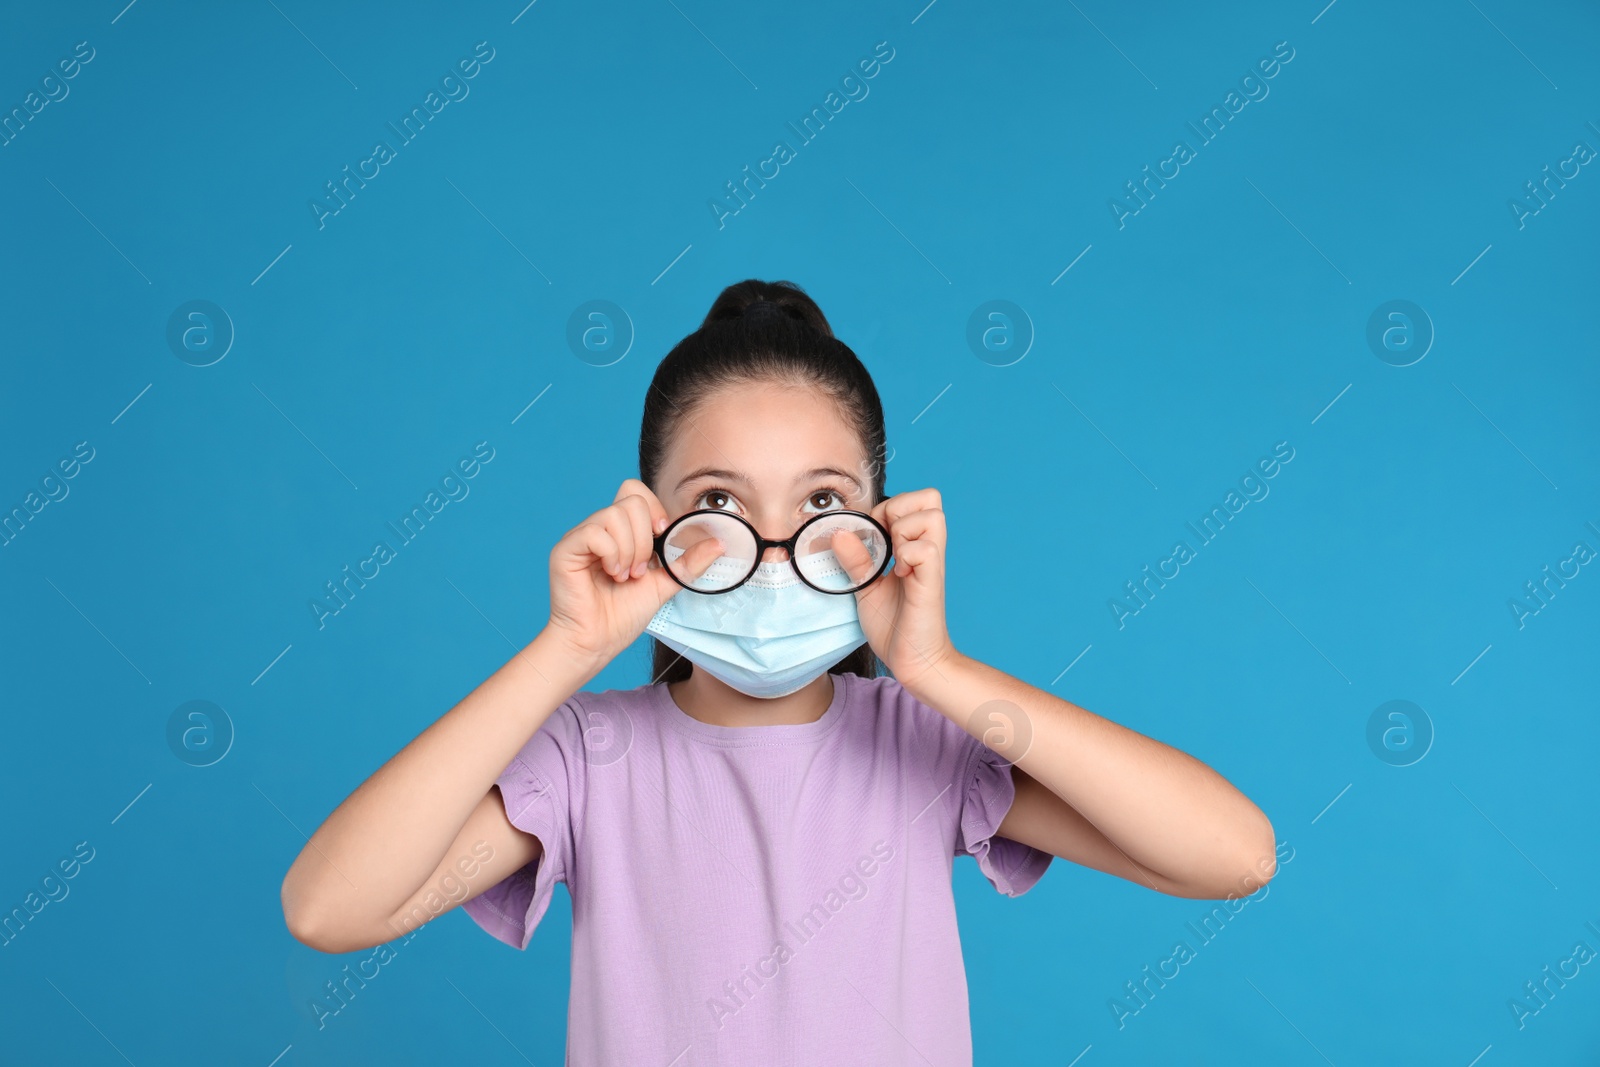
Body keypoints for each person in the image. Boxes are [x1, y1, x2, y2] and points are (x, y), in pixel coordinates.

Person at [279, 278, 1278, 1064]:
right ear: (649, 519)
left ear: (876, 527)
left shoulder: (923, 743)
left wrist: (934, 665)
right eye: (718, 497)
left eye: (819, 501)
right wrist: (567, 647)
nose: (767, 545)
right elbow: (331, 907)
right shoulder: (588, 755)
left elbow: (1232, 853)